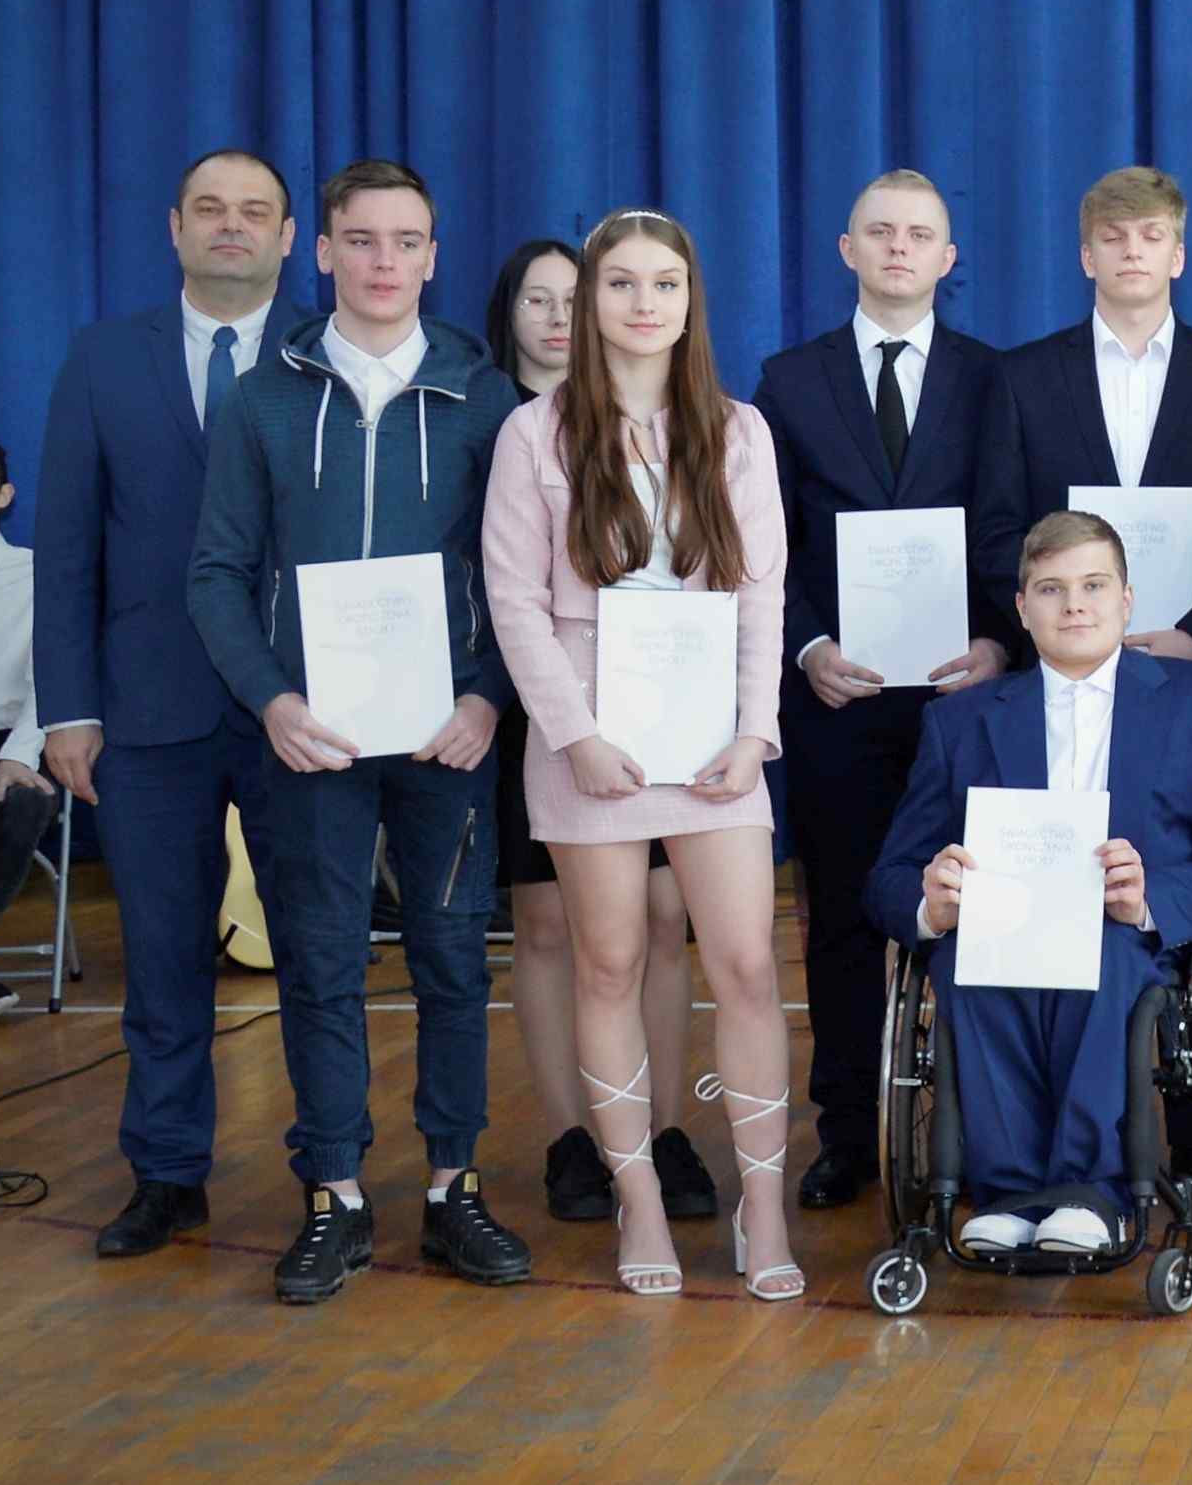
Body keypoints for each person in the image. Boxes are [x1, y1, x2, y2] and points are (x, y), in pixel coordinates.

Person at [185, 159, 530, 1303]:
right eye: (364, 239)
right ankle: (332, 1191)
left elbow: (520, 572)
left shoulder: (486, 398)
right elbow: (217, 572)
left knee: (451, 962)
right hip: (313, 740)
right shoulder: (263, 399)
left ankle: (451, 1187)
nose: (386, 261)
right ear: (323, 250)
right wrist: (271, 701)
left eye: (407, 240)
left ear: (434, 257)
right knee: (321, 963)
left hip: (448, 737)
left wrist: (487, 697)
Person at [483, 209, 803, 1302]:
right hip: (592, 747)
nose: (643, 303)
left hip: (714, 747)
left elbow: (761, 597)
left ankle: (763, 1205)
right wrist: (573, 735)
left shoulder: (739, 431)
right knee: (609, 965)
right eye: (620, 282)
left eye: (665, 283)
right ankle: (641, 1203)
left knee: (747, 966)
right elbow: (515, 603)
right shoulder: (534, 434)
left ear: (690, 300)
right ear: (591, 301)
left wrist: (755, 731)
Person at [868, 511, 1192, 1253]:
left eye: (1093, 585)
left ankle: (1088, 1190)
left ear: (1127, 600)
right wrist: (929, 905)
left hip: (1133, 940)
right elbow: (889, 877)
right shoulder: (959, 723)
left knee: (1106, 954)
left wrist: (1152, 898)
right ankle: (1006, 1195)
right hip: (1000, 931)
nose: (1074, 605)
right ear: (1022, 608)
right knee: (969, 960)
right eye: (1051, 589)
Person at [32, 148, 306, 1257]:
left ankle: (330, 1171)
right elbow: (66, 549)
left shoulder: (330, 351)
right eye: (210, 209)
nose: (231, 225)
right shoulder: (103, 358)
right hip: (145, 713)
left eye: (254, 211)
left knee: (319, 955)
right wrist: (66, 708)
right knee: (159, 956)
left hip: (301, 711)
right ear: (174, 227)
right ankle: (166, 1171)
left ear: (290, 237)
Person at [751, 170, 1009, 1212]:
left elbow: (1015, 526)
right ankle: (849, 1131)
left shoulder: (995, 379)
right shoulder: (787, 381)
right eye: (880, 231)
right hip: (838, 702)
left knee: (983, 909)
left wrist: (1000, 641)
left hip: (967, 702)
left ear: (949, 258)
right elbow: (766, 542)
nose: (899, 247)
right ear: (846, 249)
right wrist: (806, 645)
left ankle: (983, 1124)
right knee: (844, 918)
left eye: (920, 234)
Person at [483, 241, 713, 1230]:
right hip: (534, 710)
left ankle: (664, 1129)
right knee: (548, 927)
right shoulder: (505, 425)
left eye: (569, 297)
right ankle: (573, 1137)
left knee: (662, 919)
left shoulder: (687, 420)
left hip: (668, 710)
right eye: (534, 300)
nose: (554, 316)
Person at [976, 166, 1192, 669]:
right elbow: (996, 532)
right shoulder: (1021, 377)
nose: (1132, 251)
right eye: (1113, 237)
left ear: (1178, 258)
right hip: (1057, 667)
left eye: (1151, 236)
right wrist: (1062, 622)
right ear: (1088, 259)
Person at [0, 437, 66, 1018]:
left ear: (4, 495)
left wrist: (17, 756)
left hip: (17, 738)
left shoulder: (38, 575)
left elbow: (54, 681)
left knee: (24, 802)